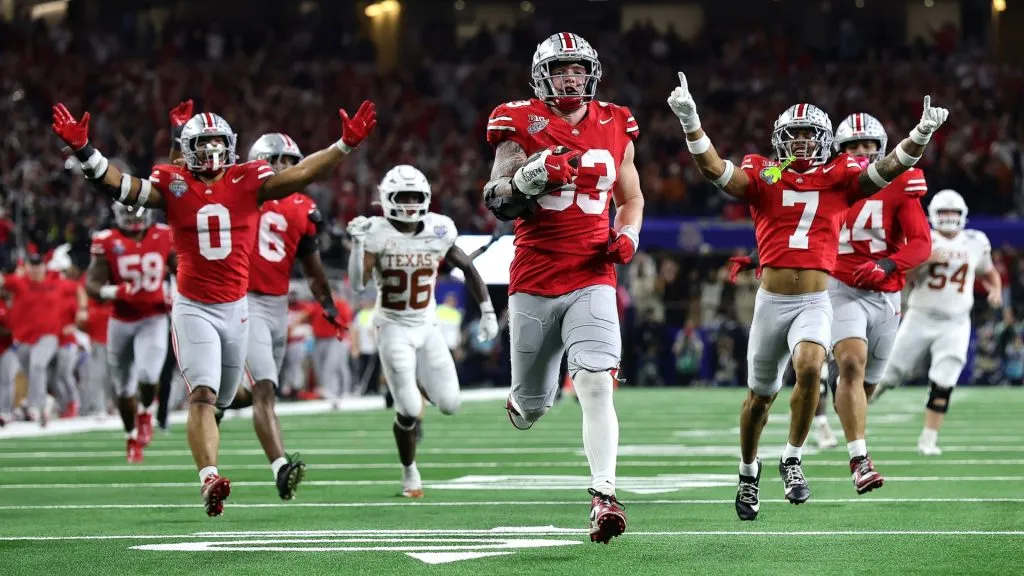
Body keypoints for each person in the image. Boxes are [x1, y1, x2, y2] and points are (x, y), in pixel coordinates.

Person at [51, 98, 377, 516]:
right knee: (203, 394)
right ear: (187, 149)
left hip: (237, 309)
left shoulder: (248, 177)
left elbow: (298, 175)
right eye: (201, 145)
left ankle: (228, 435)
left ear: (231, 146)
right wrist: (84, 151)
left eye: (217, 144)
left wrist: (345, 145)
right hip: (194, 307)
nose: (210, 152)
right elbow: (122, 185)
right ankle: (209, 479)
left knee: (224, 396)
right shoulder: (172, 182)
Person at [668, 72, 948, 520]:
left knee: (812, 367)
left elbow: (887, 169)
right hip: (771, 301)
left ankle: (792, 459)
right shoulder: (764, 173)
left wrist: (919, 135)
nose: (800, 142)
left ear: (822, 141)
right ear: (780, 139)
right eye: (792, 135)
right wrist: (691, 123)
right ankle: (748, 470)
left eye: (808, 135)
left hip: (817, 300)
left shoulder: (841, 177)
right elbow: (716, 170)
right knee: (759, 397)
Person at [482, 32, 644, 543]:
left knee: (596, 382)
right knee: (534, 404)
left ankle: (604, 496)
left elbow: (631, 196)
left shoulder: (617, 121)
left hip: (593, 273)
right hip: (533, 277)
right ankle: (523, 400)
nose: (570, 77)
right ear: (541, 76)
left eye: (577, 68)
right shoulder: (518, 120)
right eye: (560, 69)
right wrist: (531, 176)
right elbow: (497, 196)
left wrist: (629, 235)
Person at [347, 164, 499, 499]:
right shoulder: (376, 231)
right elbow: (358, 284)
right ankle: (409, 473)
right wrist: (358, 247)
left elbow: (467, 267)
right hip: (393, 327)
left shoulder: (438, 228)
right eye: (404, 196)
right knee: (410, 410)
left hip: (427, 325)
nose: (410, 202)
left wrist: (487, 310)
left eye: (416, 195)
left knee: (450, 403)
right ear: (388, 199)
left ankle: (413, 387)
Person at [232, 132, 348, 500]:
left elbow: (312, 267)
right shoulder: (242, 193)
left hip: (277, 304)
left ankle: (212, 401)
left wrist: (327, 304)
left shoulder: (302, 206)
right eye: (275, 160)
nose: (282, 168)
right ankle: (281, 467)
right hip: (243, 300)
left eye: (289, 162)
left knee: (259, 392)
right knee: (265, 388)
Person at [872, 190, 1001, 456]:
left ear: (963, 215)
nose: (949, 218)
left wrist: (995, 289)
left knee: (944, 379)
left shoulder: (976, 241)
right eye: (944, 213)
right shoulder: (923, 240)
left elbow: (989, 272)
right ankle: (855, 411)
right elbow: (902, 279)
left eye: (953, 213)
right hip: (920, 316)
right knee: (888, 374)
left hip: (956, 322)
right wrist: (923, 260)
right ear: (933, 215)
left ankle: (928, 440)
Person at [84, 204, 173, 461]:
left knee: (148, 374)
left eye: (138, 212)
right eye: (129, 212)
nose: (134, 218)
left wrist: (176, 296)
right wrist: (114, 292)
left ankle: (146, 410)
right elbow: (92, 284)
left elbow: (182, 269)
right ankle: (131, 436)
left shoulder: (165, 235)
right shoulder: (107, 240)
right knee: (123, 388)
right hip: (121, 319)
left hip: (153, 318)